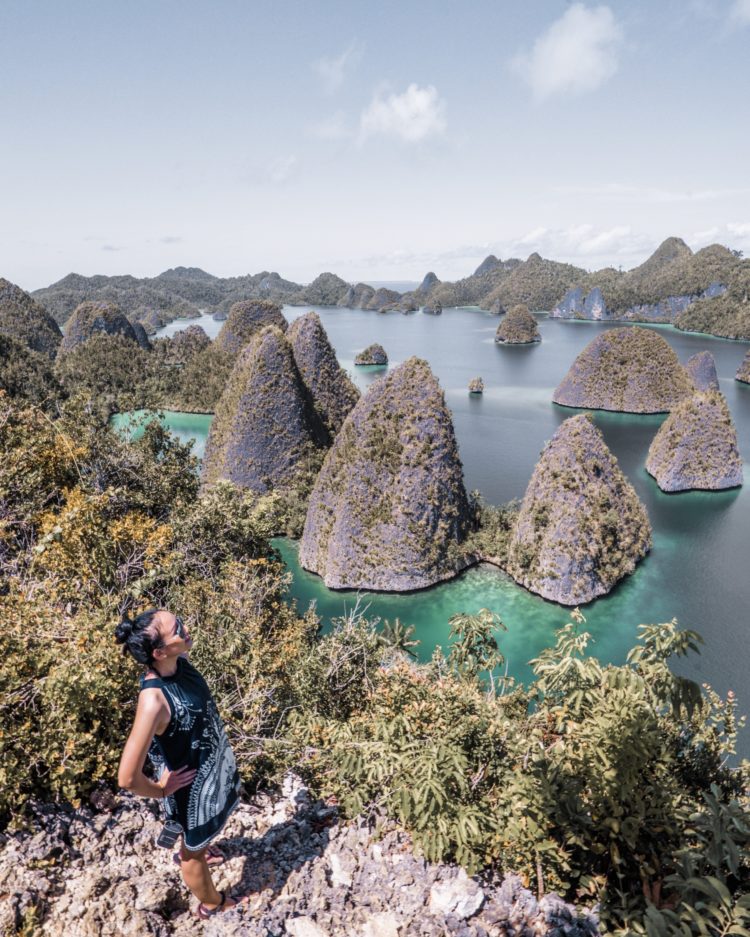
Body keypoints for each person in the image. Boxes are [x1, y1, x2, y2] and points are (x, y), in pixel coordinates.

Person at [116, 608, 248, 919]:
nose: (185, 630)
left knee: (204, 834)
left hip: (211, 770)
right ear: (159, 651)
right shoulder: (153, 701)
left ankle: (201, 845)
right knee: (193, 854)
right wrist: (161, 791)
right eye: (178, 629)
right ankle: (213, 903)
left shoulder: (179, 664)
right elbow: (127, 776)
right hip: (191, 792)